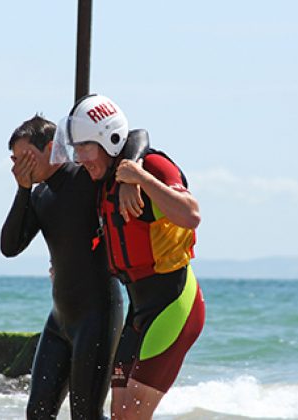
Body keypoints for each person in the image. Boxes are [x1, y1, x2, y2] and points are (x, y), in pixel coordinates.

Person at [52, 95, 206, 420]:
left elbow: (192, 215)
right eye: (76, 148)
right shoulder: (107, 179)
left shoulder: (153, 167)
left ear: (108, 140)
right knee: (121, 414)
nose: (80, 158)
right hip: (138, 308)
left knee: (133, 415)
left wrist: (141, 179)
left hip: (173, 303)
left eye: (85, 148)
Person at [0, 114, 148, 420]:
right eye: (14, 160)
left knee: (86, 415)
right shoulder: (39, 195)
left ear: (52, 147)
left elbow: (137, 136)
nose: (18, 166)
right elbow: (9, 246)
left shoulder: (87, 178)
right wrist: (22, 189)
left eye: (25, 157)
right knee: (38, 413)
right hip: (59, 320)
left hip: (98, 315)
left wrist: (130, 175)